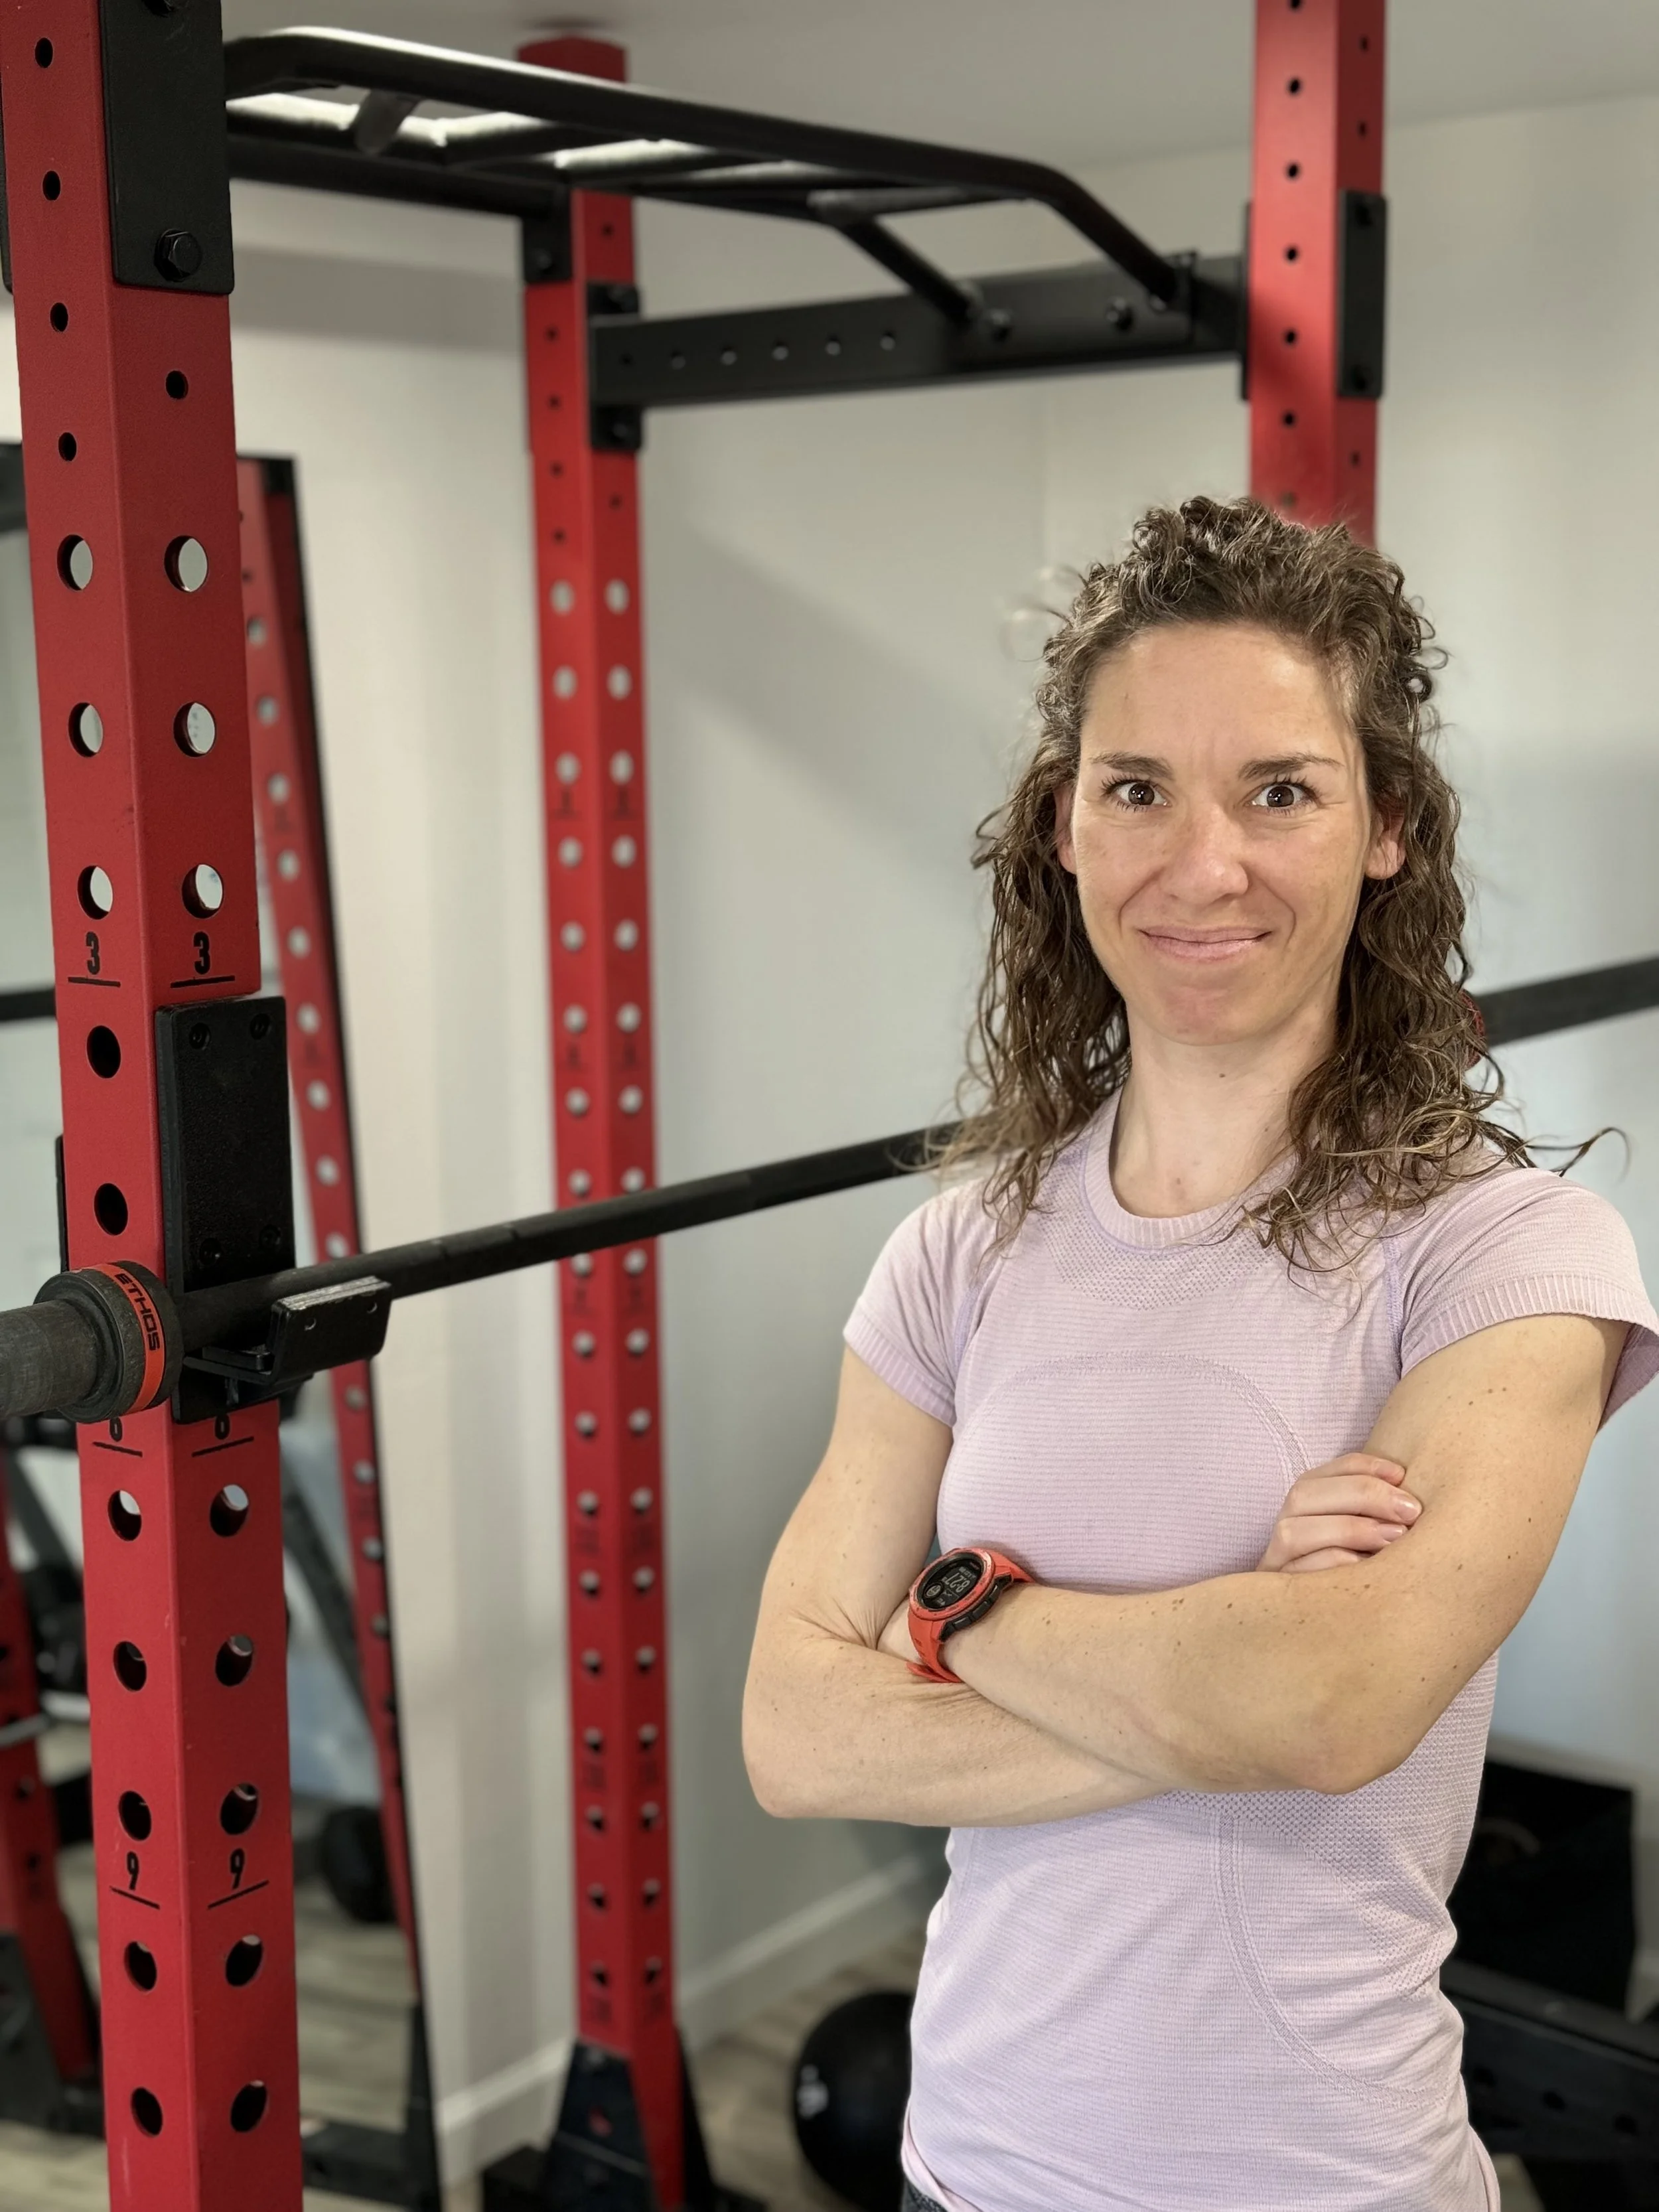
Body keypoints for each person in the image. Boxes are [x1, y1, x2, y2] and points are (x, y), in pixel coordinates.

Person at [743, 496, 1659, 2212]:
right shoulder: (958, 1248)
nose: (1201, 860)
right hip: (969, 2165)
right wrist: (1223, 1665)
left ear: (1386, 825)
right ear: (1066, 827)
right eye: (1137, 786)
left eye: (1280, 790)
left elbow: (1328, 1700)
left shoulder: (1506, 1252)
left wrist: (955, 1608)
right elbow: (795, 1731)